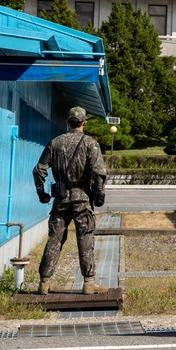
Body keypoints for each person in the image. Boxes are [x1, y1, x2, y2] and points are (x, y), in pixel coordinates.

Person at [33, 106, 108, 296]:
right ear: (84, 123)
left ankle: (44, 282)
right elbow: (98, 172)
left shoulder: (55, 143)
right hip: (82, 199)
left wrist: (41, 192)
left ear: (67, 122)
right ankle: (89, 283)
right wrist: (99, 194)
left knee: (55, 239)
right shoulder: (91, 143)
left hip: (60, 198)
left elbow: (39, 169)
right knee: (85, 238)